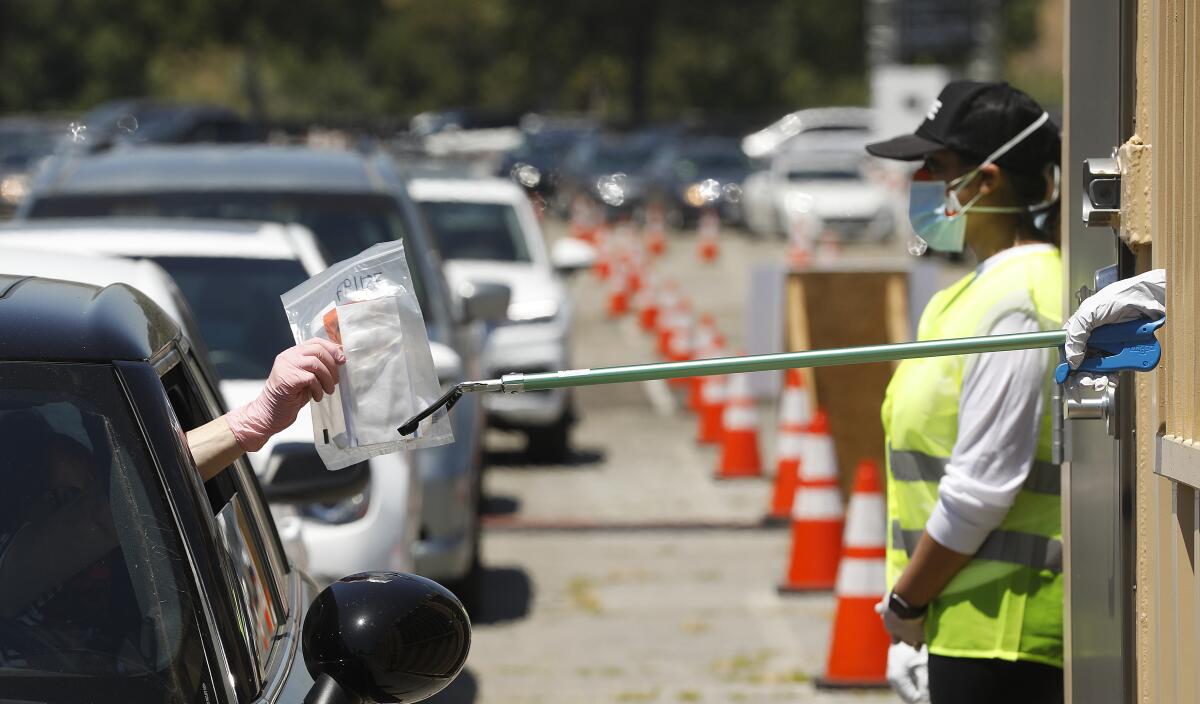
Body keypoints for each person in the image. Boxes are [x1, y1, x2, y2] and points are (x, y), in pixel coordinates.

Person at [865, 81, 1066, 704]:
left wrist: (906, 602)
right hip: (966, 632)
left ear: (987, 181)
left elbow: (982, 486)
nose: (920, 182)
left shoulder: (1017, 304)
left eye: (936, 167)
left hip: (1006, 642)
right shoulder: (973, 294)